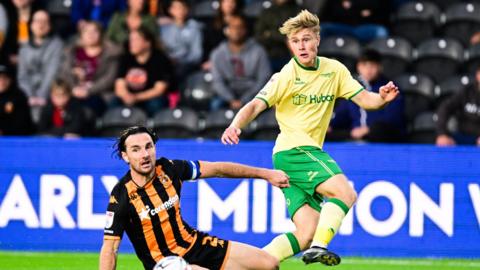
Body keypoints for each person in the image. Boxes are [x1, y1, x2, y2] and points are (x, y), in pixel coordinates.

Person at [221, 10, 399, 266]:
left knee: (305, 233)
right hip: (295, 151)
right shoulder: (285, 76)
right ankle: (319, 247)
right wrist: (235, 125)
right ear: (289, 45)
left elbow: (365, 100)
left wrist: (381, 98)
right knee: (345, 194)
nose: (301, 46)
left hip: (292, 157)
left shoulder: (334, 70)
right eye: (295, 41)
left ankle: (251, 264)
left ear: (317, 39)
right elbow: (255, 105)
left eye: (306, 39)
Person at [99, 126, 290, 270]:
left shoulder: (170, 169)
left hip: (195, 244)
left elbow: (218, 169)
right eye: (136, 149)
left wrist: (265, 173)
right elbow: (110, 249)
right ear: (125, 156)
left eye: (148, 146)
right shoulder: (122, 196)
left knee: (269, 264)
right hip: (166, 264)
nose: (145, 154)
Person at [329, 49, 406, 142]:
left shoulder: (389, 88)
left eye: (372, 66)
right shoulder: (353, 87)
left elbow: (393, 119)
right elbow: (341, 115)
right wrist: (330, 126)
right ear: (358, 67)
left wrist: (367, 129)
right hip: (355, 137)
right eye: (364, 65)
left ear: (380, 67)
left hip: (380, 137)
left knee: (378, 130)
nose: (368, 70)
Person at [210, 14, 271, 110]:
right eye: (233, 27)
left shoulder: (259, 51)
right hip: (228, 94)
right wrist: (231, 99)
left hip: (253, 93)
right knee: (215, 105)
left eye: (240, 27)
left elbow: (263, 79)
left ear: (245, 30)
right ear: (227, 30)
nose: (236, 31)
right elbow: (217, 82)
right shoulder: (217, 53)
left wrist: (245, 99)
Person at [59, 20, 121, 116]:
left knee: (88, 110)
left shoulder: (111, 53)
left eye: (94, 31)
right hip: (73, 92)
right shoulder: (71, 51)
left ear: (100, 34)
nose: (90, 34)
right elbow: (64, 73)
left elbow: (109, 79)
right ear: (81, 35)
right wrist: (73, 87)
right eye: (86, 31)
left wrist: (88, 90)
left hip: (98, 94)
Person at [112, 26, 174, 116]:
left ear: (147, 43)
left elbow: (159, 89)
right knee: (114, 103)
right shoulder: (126, 58)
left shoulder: (160, 59)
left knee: (156, 104)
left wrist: (136, 97)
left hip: (150, 97)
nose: (131, 44)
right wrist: (126, 96)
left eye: (135, 40)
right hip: (129, 96)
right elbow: (119, 86)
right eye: (130, 40)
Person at [17, 9, 63, 122]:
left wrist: (41, 96)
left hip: (49, 94)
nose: (41, 25)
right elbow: (22, 76)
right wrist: (30, 96)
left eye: (44, 21)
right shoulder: (24, 48)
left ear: (50, 25)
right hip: (28, 96)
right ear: (31, 25)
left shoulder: (57, 45)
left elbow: (52, 73)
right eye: (37, 21)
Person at [436, 65, 480, 146]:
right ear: (478, 75)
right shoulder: (466, 91)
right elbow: (445, 108)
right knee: (445, 144)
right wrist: (442, 134)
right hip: (462, 136)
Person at [159, 0, 202, 81]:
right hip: (167, 63)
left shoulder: (194, 27)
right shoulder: (164, 29)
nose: (180, 11)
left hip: (186, 65)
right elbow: (163, 49)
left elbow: (196, 54)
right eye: (176, 8)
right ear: (170, 10)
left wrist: (180, 61)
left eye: (182, 7)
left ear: (187, 10)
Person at [254, 0, 301, 71]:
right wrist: (283, 38)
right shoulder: (267, 12)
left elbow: (302, 33)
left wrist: (269, 33)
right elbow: (259, 36)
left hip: (291, 54)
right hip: (269, 55)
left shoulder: (299, 10)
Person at [0, 62, 34, 135]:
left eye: (5, 78)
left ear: (10, 79)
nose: (2, 81)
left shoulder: (19, 96)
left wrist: (3, 131)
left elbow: (23, 125)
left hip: (15, 141)